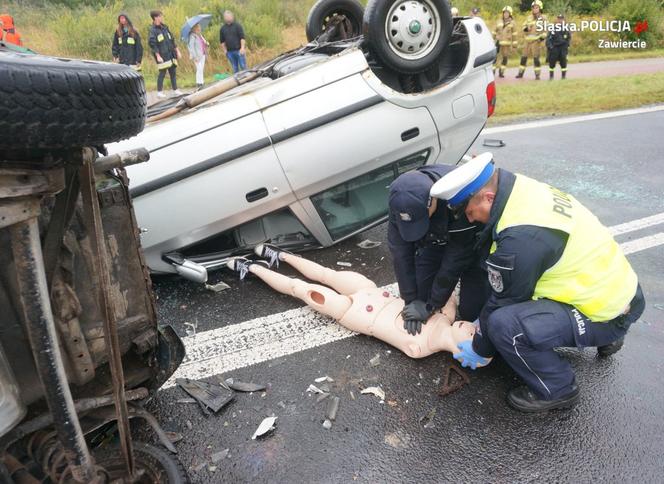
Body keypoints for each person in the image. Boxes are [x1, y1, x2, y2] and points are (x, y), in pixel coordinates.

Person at [429, 153, 645, 413]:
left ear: (488, 197)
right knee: (511, 297)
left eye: (471, 211)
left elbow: (503, 302)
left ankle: (558, 388)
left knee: (503, 325)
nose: (471, 219)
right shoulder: (523, 189)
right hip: (624, 293)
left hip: (604, 313)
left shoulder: (522, 238)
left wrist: (480, 346)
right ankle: (608, 335)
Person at [226, 244, 489, 364]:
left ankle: (253, 269)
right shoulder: (447, 316)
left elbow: (410, 340)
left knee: (302, 289)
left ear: (462, 350)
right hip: (371, 293)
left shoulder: (420, 348)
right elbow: (447, 293)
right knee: (324, 273)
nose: (472, 328)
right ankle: (279, 253)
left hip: (355, 312)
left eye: (472, 335)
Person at [388, 165, 490, 337]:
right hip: (434, 240)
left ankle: (452, 295)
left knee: (471, 312)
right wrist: (410, 300)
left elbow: (455, 260)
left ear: (432, 200)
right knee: (420, 297)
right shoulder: (399, 201)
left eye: (421, 218)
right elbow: (400, 252)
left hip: (470, 243)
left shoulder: (458, 199)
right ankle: (443, 297)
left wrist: (433, 304)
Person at [148, 10, 182, 99]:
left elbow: (172, 40)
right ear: (155, 17)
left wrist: (177, 51)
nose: (161, 17)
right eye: (160, 16)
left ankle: (175, 90)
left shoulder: (165, 27)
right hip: (162, 55)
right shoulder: (153, 30)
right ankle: (159, 92)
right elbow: (153, 44)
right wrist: (158, 56)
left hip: (171, 54)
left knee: (173, 72)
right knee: (162, 73)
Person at [516, 0, 547, 80]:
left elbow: (546, 30)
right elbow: (523, 27)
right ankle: (520, 73)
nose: (535, 9)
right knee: (523, 57)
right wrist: (526, 28)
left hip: (536, 41)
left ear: (540, 8)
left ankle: (537, 75)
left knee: (536, 58)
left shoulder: (543, 18)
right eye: (533, 8)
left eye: (536, 8)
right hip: (527, 41)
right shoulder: (529, 17)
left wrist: (541, 38)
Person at [493, 6, 517, 78]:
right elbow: (494, 31)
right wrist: (492, 40)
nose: (505, 14)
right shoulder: (498, 21)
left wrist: (514, 46)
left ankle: (501, 72)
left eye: (507, 13)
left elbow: (514, 35)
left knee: (505, 58)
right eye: (504, 13)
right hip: (498, 43)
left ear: (510, 14)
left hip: (507, 44)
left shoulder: (513, 23)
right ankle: (492, 72)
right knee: (495, 57)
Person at [546, 13, 571, 80]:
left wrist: (567, 46)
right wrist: (550, 47)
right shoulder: (552, 28)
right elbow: (548, 39)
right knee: (552, 63)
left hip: (563, 48)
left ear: (563, 20)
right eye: (559, 19)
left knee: (563, 62)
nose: (560, 20)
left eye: (561, 19)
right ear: (557, 20)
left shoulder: (566, 29)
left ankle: (563, 77)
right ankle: (551, 77)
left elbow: (568, 38)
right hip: (554, 48)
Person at [188, 22, 209, 89]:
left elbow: (204, 43)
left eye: (199, 27)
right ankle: (199, 83)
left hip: (202, 54)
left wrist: (206, 43)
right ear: (195, 28)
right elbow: (191, 47)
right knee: (199, 69)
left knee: (201, 69)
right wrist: (194, 57)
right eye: (198, 27)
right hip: (197, 56)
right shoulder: (192, 36)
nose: (200, 28)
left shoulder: (200, 35)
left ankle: (201, 82)